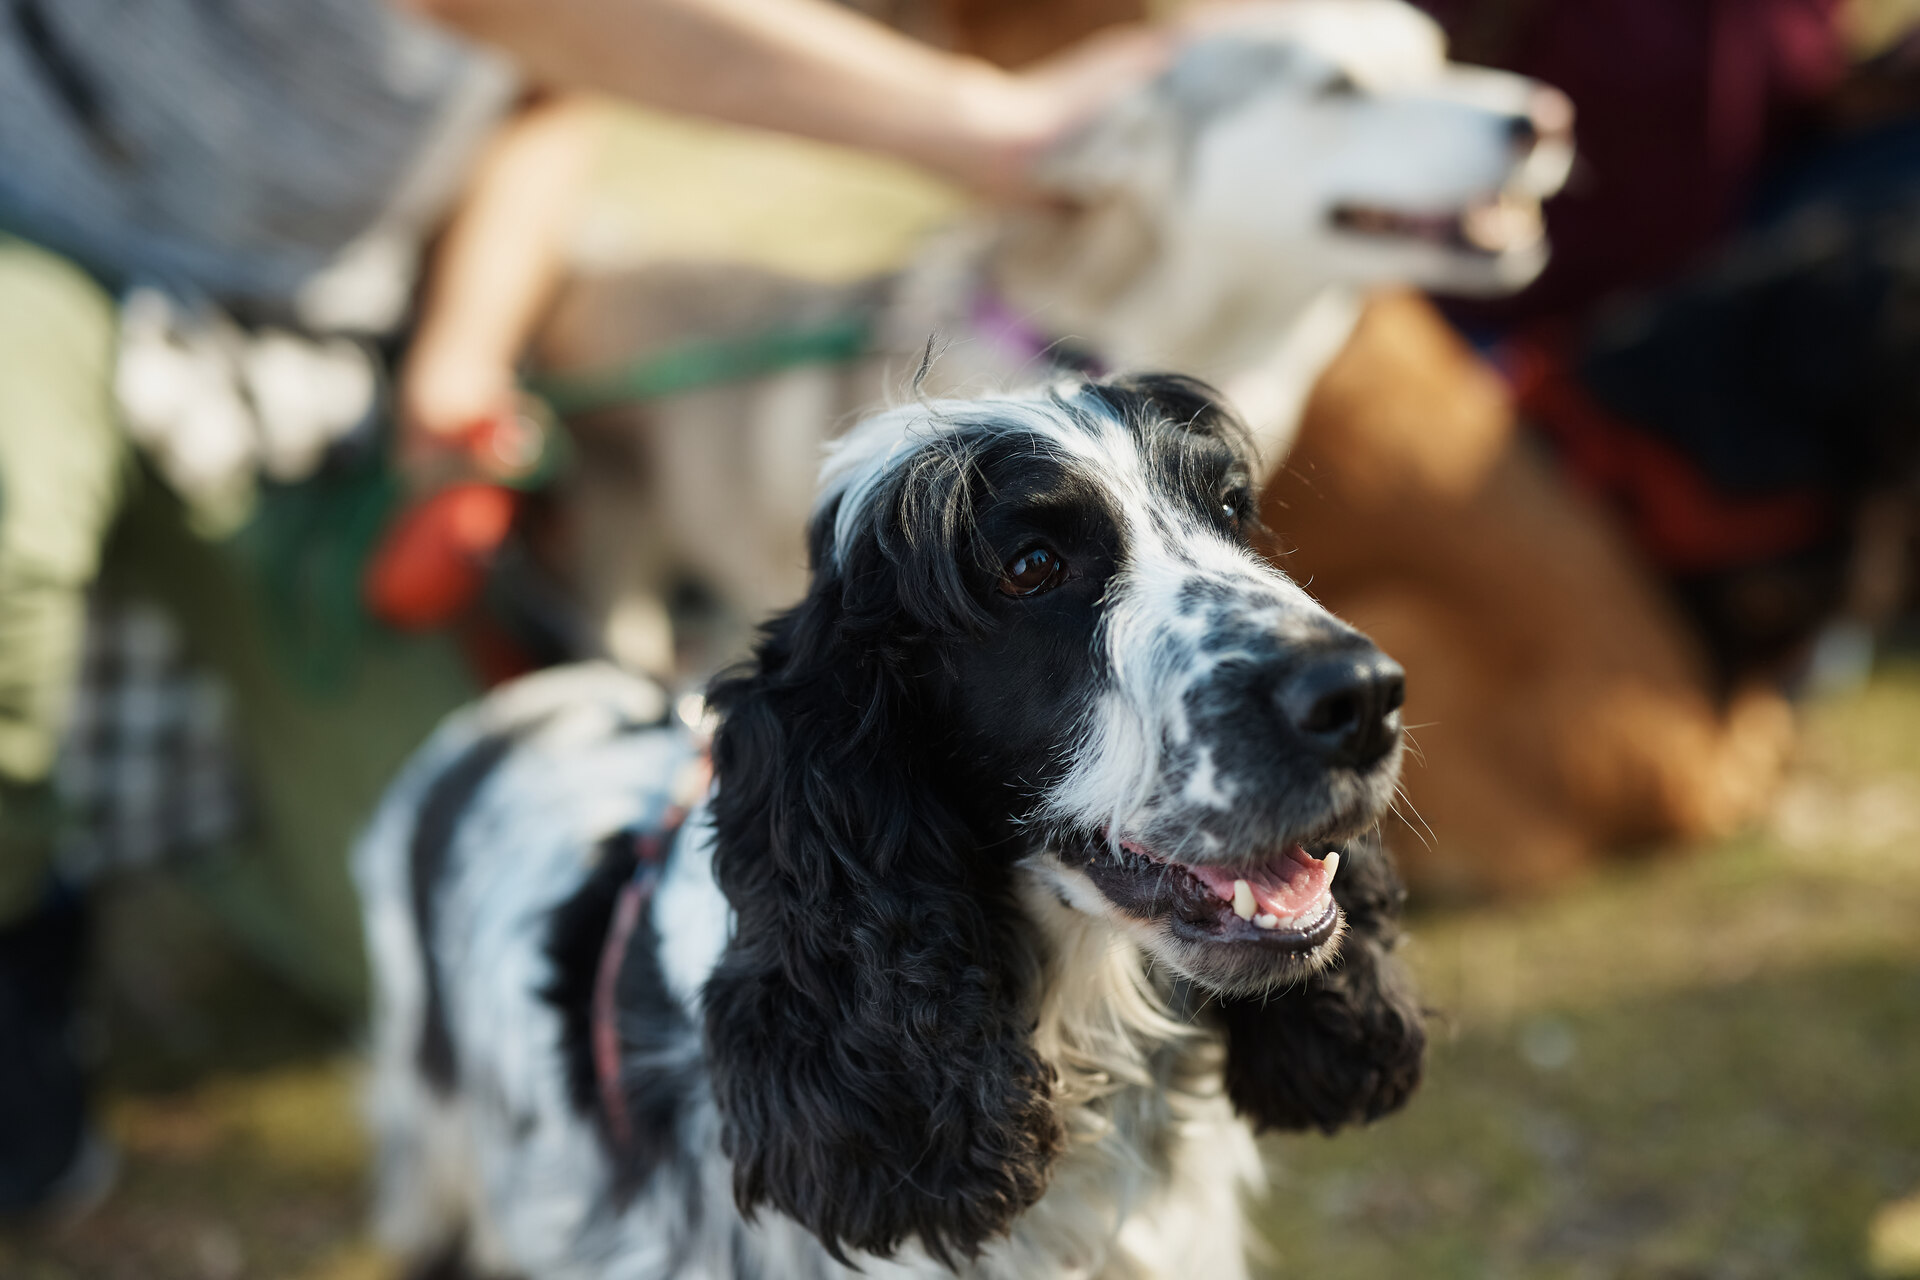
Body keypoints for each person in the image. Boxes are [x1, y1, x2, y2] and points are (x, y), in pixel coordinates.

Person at [0, 0, 1171, 1215]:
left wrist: (459, 363)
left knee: (455, 912)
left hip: (314, 338)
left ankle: (185, 821)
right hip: (33, 224)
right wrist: (987, 123)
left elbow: (543, 88)